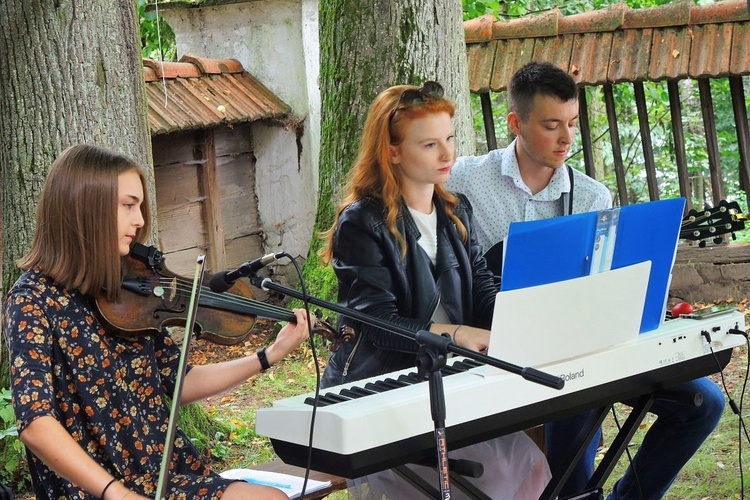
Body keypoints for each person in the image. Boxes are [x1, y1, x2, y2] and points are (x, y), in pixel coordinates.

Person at [446, 61, 726, 499]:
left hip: (580, 344)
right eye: (551, 125)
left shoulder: (594, 197)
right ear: (515, 123)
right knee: (577, 396)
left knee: (704, 403)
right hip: (499, 345)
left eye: (573, 123)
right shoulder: (464, 176)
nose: (566, 138)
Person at [4, 144, 312, 500]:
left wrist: (268, 355)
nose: (139, 220)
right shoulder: (33, 300)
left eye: (139, 207)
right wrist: (116, 493)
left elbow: (179, 381)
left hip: (160, 474)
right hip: (91, 488)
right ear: (86, 207)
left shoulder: (129, 286)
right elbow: (36, 423)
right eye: (128, 205)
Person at [318, 81, 551, 499]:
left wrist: (525, 318)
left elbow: (481, 287)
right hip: (386, 387)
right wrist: (460, 335)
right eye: (429, 145)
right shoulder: (361, 222)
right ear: (392, 151)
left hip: (452, 378)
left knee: (531, 466)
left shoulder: (455, 208)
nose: (448, 155)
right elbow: (378, 324)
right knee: (492, 476)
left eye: (449, 139)